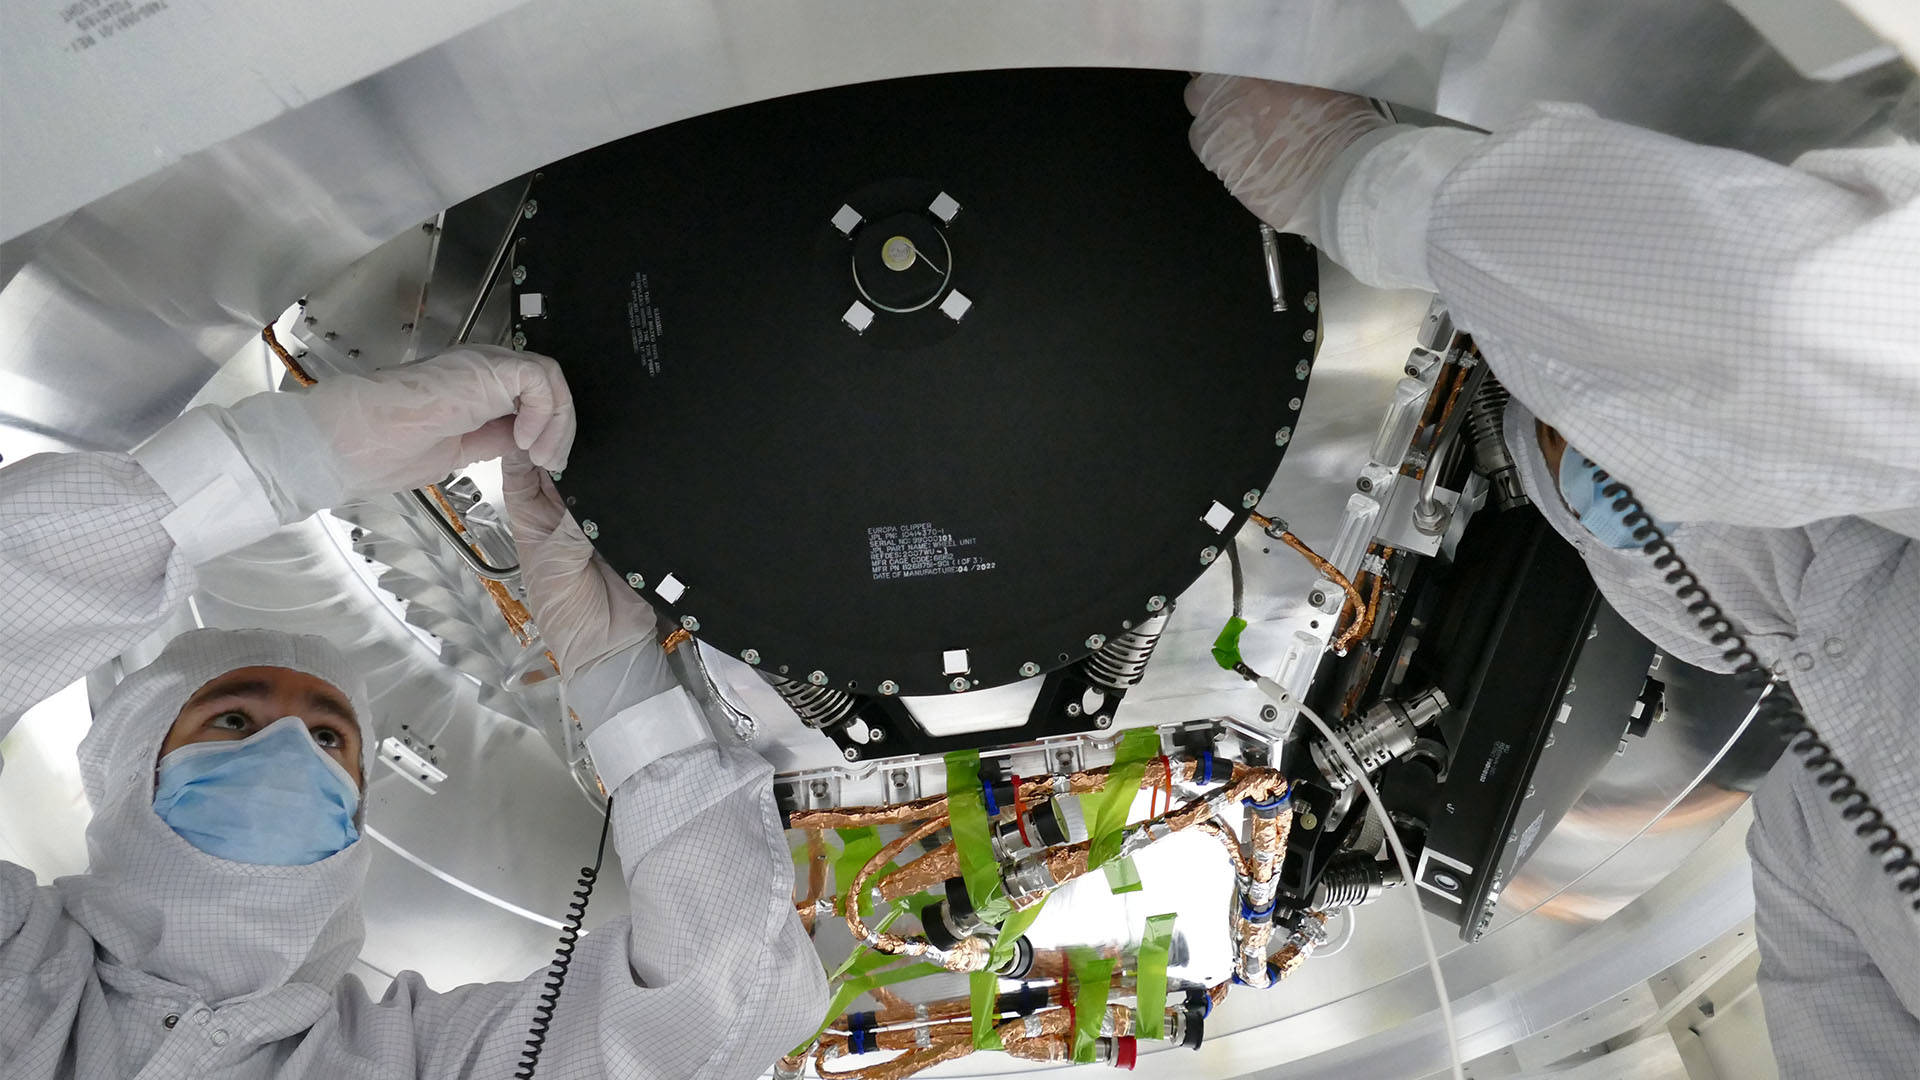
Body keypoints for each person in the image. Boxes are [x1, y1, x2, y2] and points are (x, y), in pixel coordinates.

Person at [1185, 75, 1920, 1073]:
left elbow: (1823, 763)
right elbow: (1827, 323)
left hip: (1603, 288)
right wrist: (1368, 185)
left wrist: (1601, 493)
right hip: (1676, 181)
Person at [0, 346, 827, 1077]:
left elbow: (714, 1010)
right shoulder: (18, 969)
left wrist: (620, 684)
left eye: (329, 737)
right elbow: (719, 1007)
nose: (290, 750)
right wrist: (285, 456)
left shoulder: (423, 1056)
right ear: (128, 764)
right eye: (234, 721)